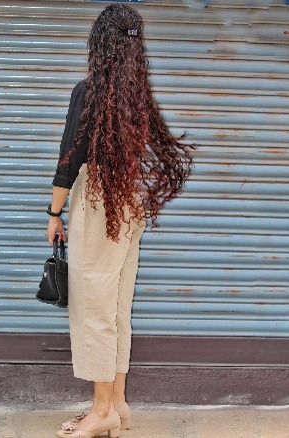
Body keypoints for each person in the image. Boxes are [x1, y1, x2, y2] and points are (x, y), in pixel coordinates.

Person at [46, 4, 194, 438]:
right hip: (128, 203)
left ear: (100, 45)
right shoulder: (138, 99)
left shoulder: (87, 92)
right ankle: (118, 404)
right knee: (116, 308)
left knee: (95, 306)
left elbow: (68, 162)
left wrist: (53, 214)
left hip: (97, 203)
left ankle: (101, 410)